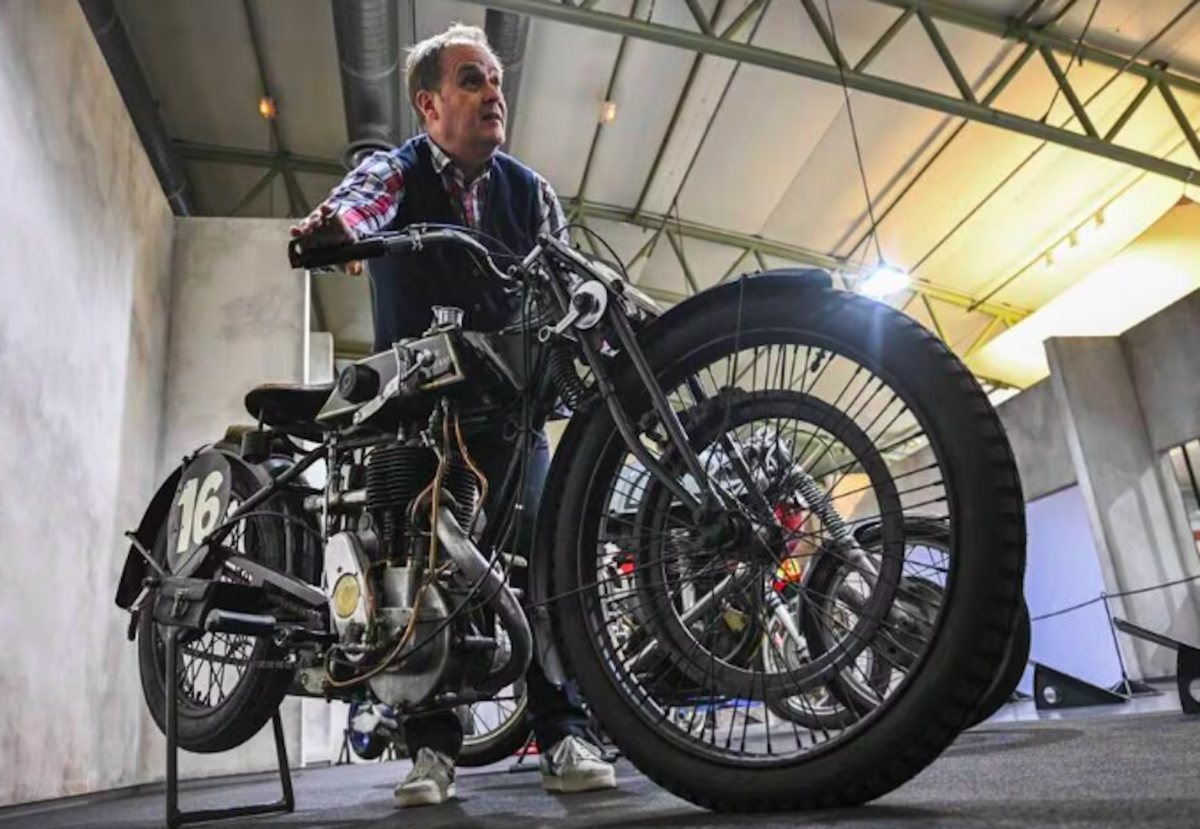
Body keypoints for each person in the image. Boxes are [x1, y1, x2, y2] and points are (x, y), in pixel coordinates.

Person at [289, 24, 617, 809]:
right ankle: (430, 748)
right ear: (430, 104)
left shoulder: (529, 191)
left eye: (496, 80)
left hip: (508, 411)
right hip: (416, 415)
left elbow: (561, 279)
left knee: (549, 556)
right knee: (417, 574)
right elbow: (355, 208)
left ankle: (563, 728)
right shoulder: (395, 173)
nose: (493, 93)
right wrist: (332, 231)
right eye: (472, 81)